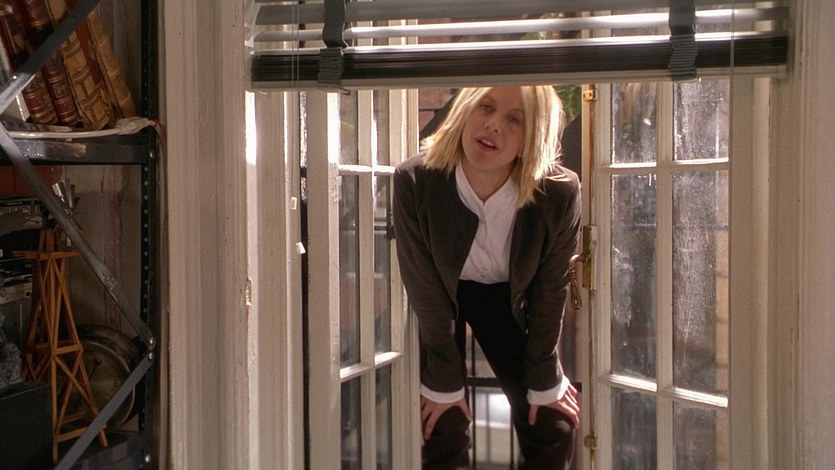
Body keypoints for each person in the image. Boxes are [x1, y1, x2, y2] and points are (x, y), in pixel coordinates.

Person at [393, 86, 582, 470]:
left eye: (515, 119)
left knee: (553, 423)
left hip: (507, 298)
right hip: (441, 297)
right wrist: (444, 380)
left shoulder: (559, 192)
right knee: (441, 422)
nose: (494, 125)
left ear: (534, 135)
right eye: (486, 107)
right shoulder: (414, 180)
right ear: (465, 110)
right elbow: (423, 284)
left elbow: (551, 289)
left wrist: (545, 374)